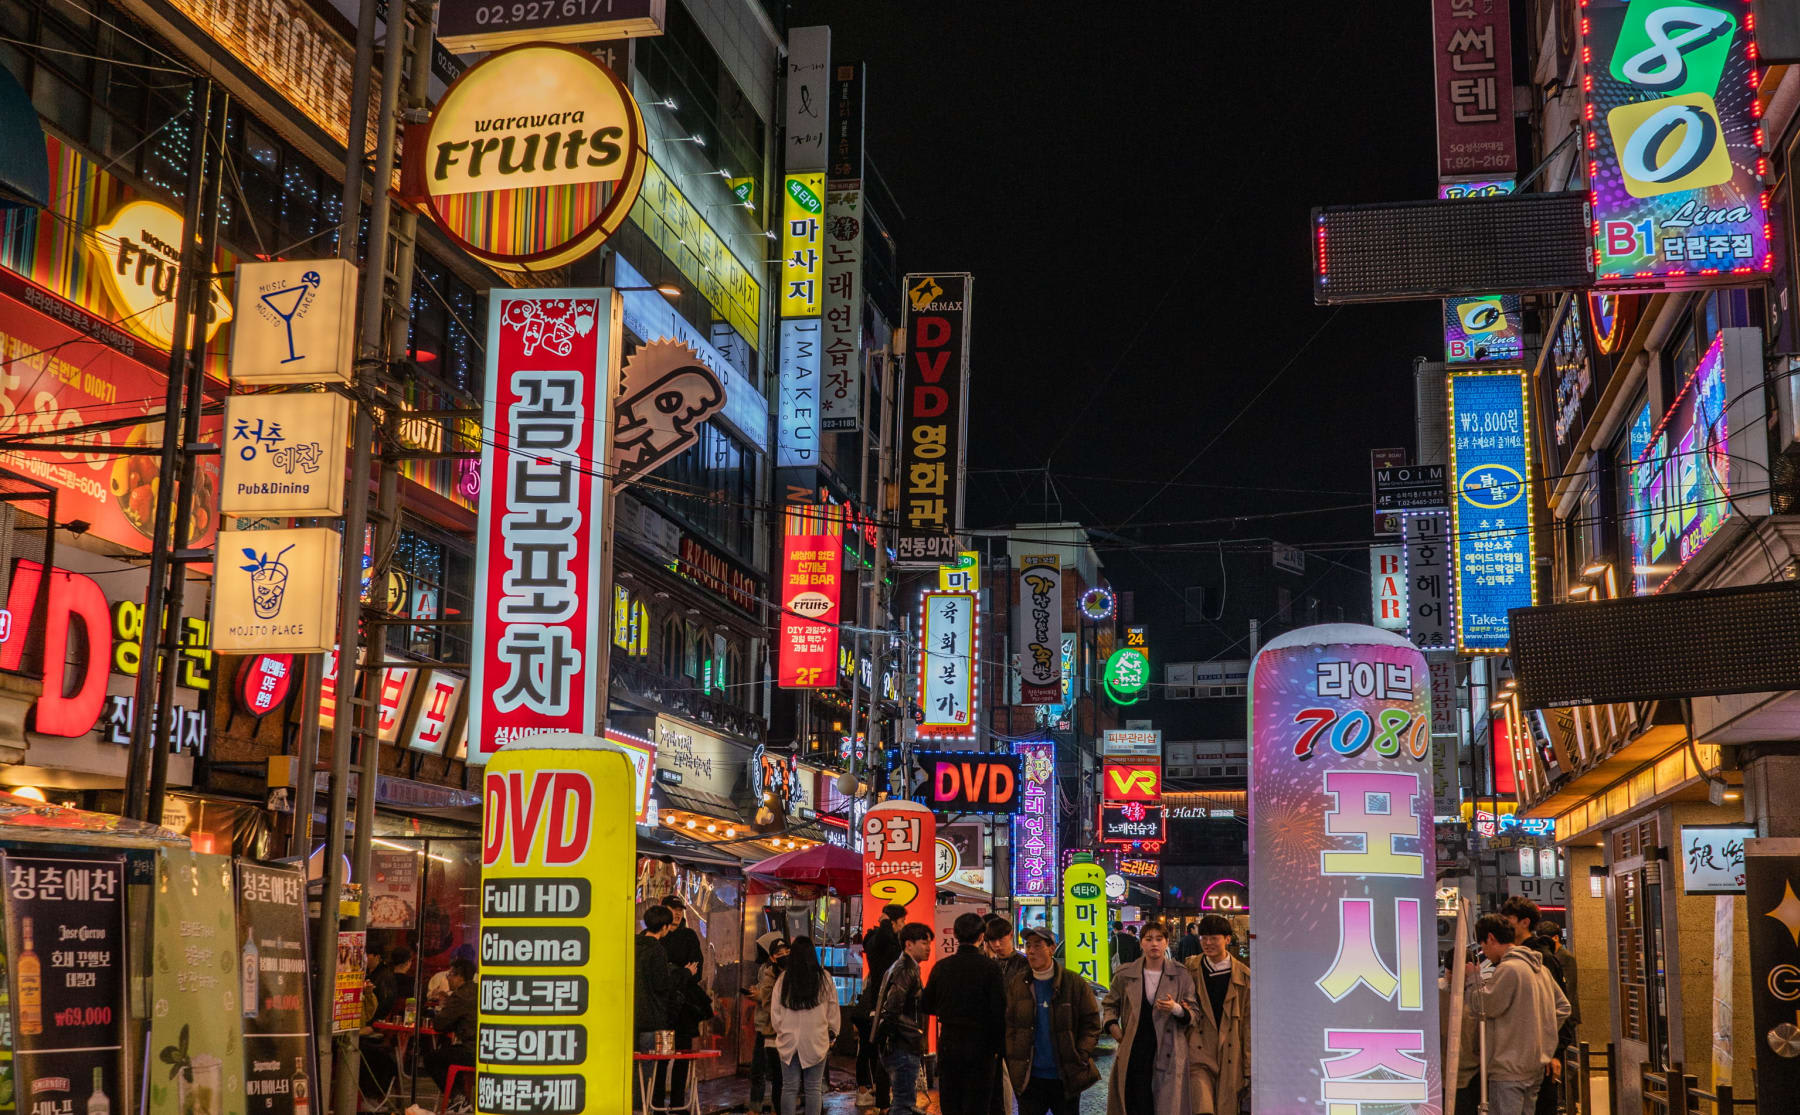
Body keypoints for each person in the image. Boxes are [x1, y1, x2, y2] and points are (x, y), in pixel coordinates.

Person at [1465, 914, 1570, 1115]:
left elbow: (1485, 1006)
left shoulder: (1509, 969)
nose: (1484, 952)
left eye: (1482, 945)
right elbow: (1564, 1007)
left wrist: (1472, 979)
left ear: (1490, 938)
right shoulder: (1540, 969)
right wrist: (1541, 1036)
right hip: (1534, 1066)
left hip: (1509, 1068)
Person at [998, 926, 1102, 1115]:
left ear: (1051, 948)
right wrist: (1013, 1058)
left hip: (1065, 1076)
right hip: (1030, 1078)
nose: (1031, 951)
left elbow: (1092, 1023)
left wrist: (1081, 1054)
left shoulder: (1073, 983)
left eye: (1038, 945)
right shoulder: (1019, 984)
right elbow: (1010, 1024)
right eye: (1028, 945)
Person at [1101, 919, 1197, 1115]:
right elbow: (1110, 1004)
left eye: (1159, 939)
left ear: (1167, 942)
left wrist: (1176, 1008)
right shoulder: (1125, 974)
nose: (1154, 944)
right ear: (1141, 942)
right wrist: (1113, 1026)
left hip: (1169, 1050)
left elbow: (1194, 1013)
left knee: (1164, 1105)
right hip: (1134, 1048)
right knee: (1135, 1102)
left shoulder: (1181, 974)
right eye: (1148, 939)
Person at [923, 912, 1007, 1115]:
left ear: (956, 936)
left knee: (951, 1101)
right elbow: (999, 1010)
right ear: (981, 937)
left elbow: (926, 1005)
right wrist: (1000, 1048)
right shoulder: (991, 968)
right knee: (978, 1103)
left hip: (950, 1041)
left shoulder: (941, 967)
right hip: (982, 1044)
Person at [1181, 914, 1249, 1115]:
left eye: (1214, 938)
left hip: (1231, 1052)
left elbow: (1248, 1024)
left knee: (1227, 1106)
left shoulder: (1244, 977)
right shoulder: (1189, 969)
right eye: (1203, 937)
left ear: (1227, 939)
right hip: (1197, 1050)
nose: (1207, 943)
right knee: (1202, 1105)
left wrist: (1248, 1068)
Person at [769, 938, 841, 1115]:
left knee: (789, 1087)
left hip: (788, 1040)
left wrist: (782, 1031)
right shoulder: (824, 978)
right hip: (816, 1039)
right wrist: (833, 1032)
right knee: (813, 1088)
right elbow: (832, 1008)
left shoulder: (783, 979)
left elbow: (775, 1013)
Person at [875, 923, 933, 1115]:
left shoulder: (903, 966)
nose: (928, 947)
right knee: (903, 1104)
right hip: (902, 1045)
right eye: (924, 943)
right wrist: (913, 1032)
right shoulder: (906, 969)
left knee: (903, 1102)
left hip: (900, 1044)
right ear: (909, 944)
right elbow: (892, 1008)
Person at [855, 903, 908, 1109]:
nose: (903, 926)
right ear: (893, 922)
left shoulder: (873, 940)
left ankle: (877, 1096)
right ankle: (883, 1100)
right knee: (885, 1053)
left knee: (872, 1050)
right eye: (902, 921)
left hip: (871, 1004)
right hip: (882, 1004)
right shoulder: (889, 945)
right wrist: (886, 922)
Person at [634, 904, 681, 1105]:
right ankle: (643, 1108)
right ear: (664, 927)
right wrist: (681, 974)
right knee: (647, 1075)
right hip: (651, 1021)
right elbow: (662, 985)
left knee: (631, 1071)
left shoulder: (633, 945)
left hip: (629, 1020)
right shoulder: (657, 950)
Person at [423, 958, 476, 1097]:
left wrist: (443, 1007)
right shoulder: (477, 990)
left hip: (470, 1050)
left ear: (459, 977)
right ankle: (460, 1097)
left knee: (432, 1059)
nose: (448, 979)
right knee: (449, 1055)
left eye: (449, 975)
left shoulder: (460, 996)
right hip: (481, 1049)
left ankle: (456, 1097)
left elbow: (440, 1024)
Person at [748, 933, 789, 1115]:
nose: (783, 955)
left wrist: (761, 996)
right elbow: (767, 999)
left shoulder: (790, 972)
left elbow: (769, 999)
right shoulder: (767, 971)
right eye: (778, 953)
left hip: (781, 1030)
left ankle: (777, 1107)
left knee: (778, 1074)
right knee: (759, 1068)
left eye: (785, 951)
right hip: (765, 1027)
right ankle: (756, 1106)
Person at [369, 945, 414, 1021]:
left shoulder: (383, 978)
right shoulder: (412, 983)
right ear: (408, 962)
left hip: (381, 1020)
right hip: (406, 1021)